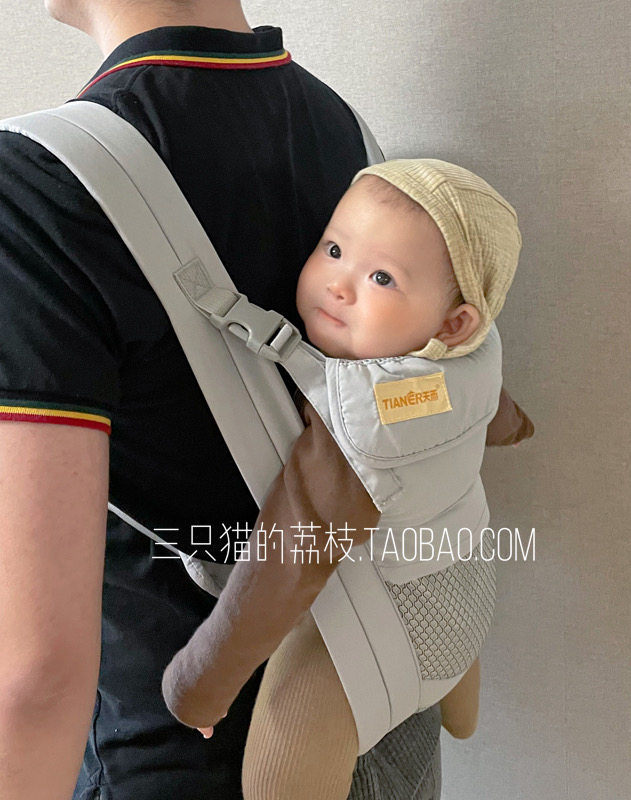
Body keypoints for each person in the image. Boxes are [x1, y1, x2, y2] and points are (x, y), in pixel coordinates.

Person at [0, 2, 450, 798]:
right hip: (388, 728)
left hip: (181, 762)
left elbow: (34, 677)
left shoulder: (33, 187)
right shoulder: (348, 134)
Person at [160, 159, 534, 799]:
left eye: (381, 277)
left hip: (388, 634)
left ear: (454, 324)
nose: (337, 284)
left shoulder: (362, 427)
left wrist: (199, 689)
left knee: (273, 780)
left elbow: (283, 566)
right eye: (334, 250)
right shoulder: (474, 360)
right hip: (466, 592)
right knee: (456, 705)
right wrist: (520, 428)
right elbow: (497, 417)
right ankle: (461, 712)